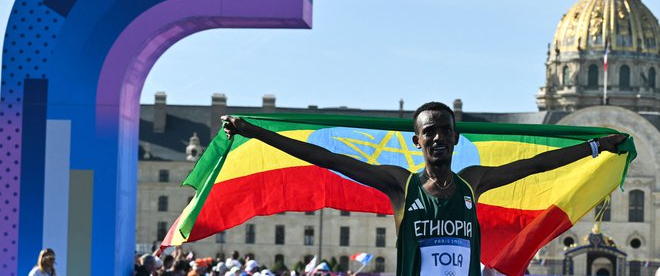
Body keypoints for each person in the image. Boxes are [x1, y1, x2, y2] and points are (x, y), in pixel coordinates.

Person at [222, 101, 627, 276]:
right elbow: (327, 159)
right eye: (428, 132)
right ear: (417, 141)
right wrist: (255, 133)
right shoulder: (402, 185)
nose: (437, 139)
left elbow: (535, 165)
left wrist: (594, 147)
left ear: (455, 138)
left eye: (444, 132)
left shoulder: (474, 181)